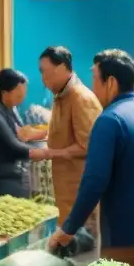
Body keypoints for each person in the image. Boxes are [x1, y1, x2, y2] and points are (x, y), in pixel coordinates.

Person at [48, 51, 134, 266]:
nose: (92, 87)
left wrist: (68, 229)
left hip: (127, 239)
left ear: (111, 82)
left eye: (95, 79)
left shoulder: (109, 121)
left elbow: (94, 182)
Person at [36, 46, 103, 226]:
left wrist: (46, 154)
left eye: (44, 73)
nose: (43, 80)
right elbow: (64, 134)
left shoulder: (81, 98)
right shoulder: (61, 96)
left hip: (79, 192)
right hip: (65, 191)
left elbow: (88, 146)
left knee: (79, 245)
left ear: (60, 68)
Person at [0, 70, 48, 199]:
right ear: (4, 93)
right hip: (0, 180)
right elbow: (15, 147)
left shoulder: (9, 110)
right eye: (18, 97)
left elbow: (22, 135)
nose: (22, 100)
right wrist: (47, 153)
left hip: (15, 175)